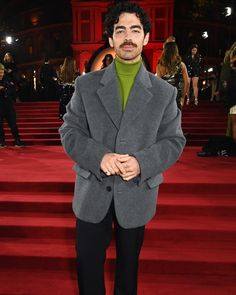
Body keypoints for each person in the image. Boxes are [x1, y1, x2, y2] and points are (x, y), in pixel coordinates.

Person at [59, 2, 186, 295]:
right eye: (120, 30)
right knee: (88, 269)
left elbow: (174, 140)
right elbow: (69, 131)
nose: (128, 37)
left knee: (128, 274)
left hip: (137, 192)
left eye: (135, 30)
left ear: (145, 38)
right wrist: (99, 156)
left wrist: (142, 162)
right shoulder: (86, 85)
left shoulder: (165, 94)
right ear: (111, 39)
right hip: (93, 190)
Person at [156, 41, 189, 109]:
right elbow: (187, 82)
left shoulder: (159, 66)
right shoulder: (181, 65)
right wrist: (183, 97)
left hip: (164, 97)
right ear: (176, 51)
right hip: (177, 96)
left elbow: (158, 84)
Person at [0, 63, 24, 148]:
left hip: (9, 105)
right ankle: (1, 142)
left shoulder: (8, 79)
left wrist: (6, 89)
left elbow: (13, 91)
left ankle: (17, 141)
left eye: (2, 71)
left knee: (13, 124)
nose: (1, 74)